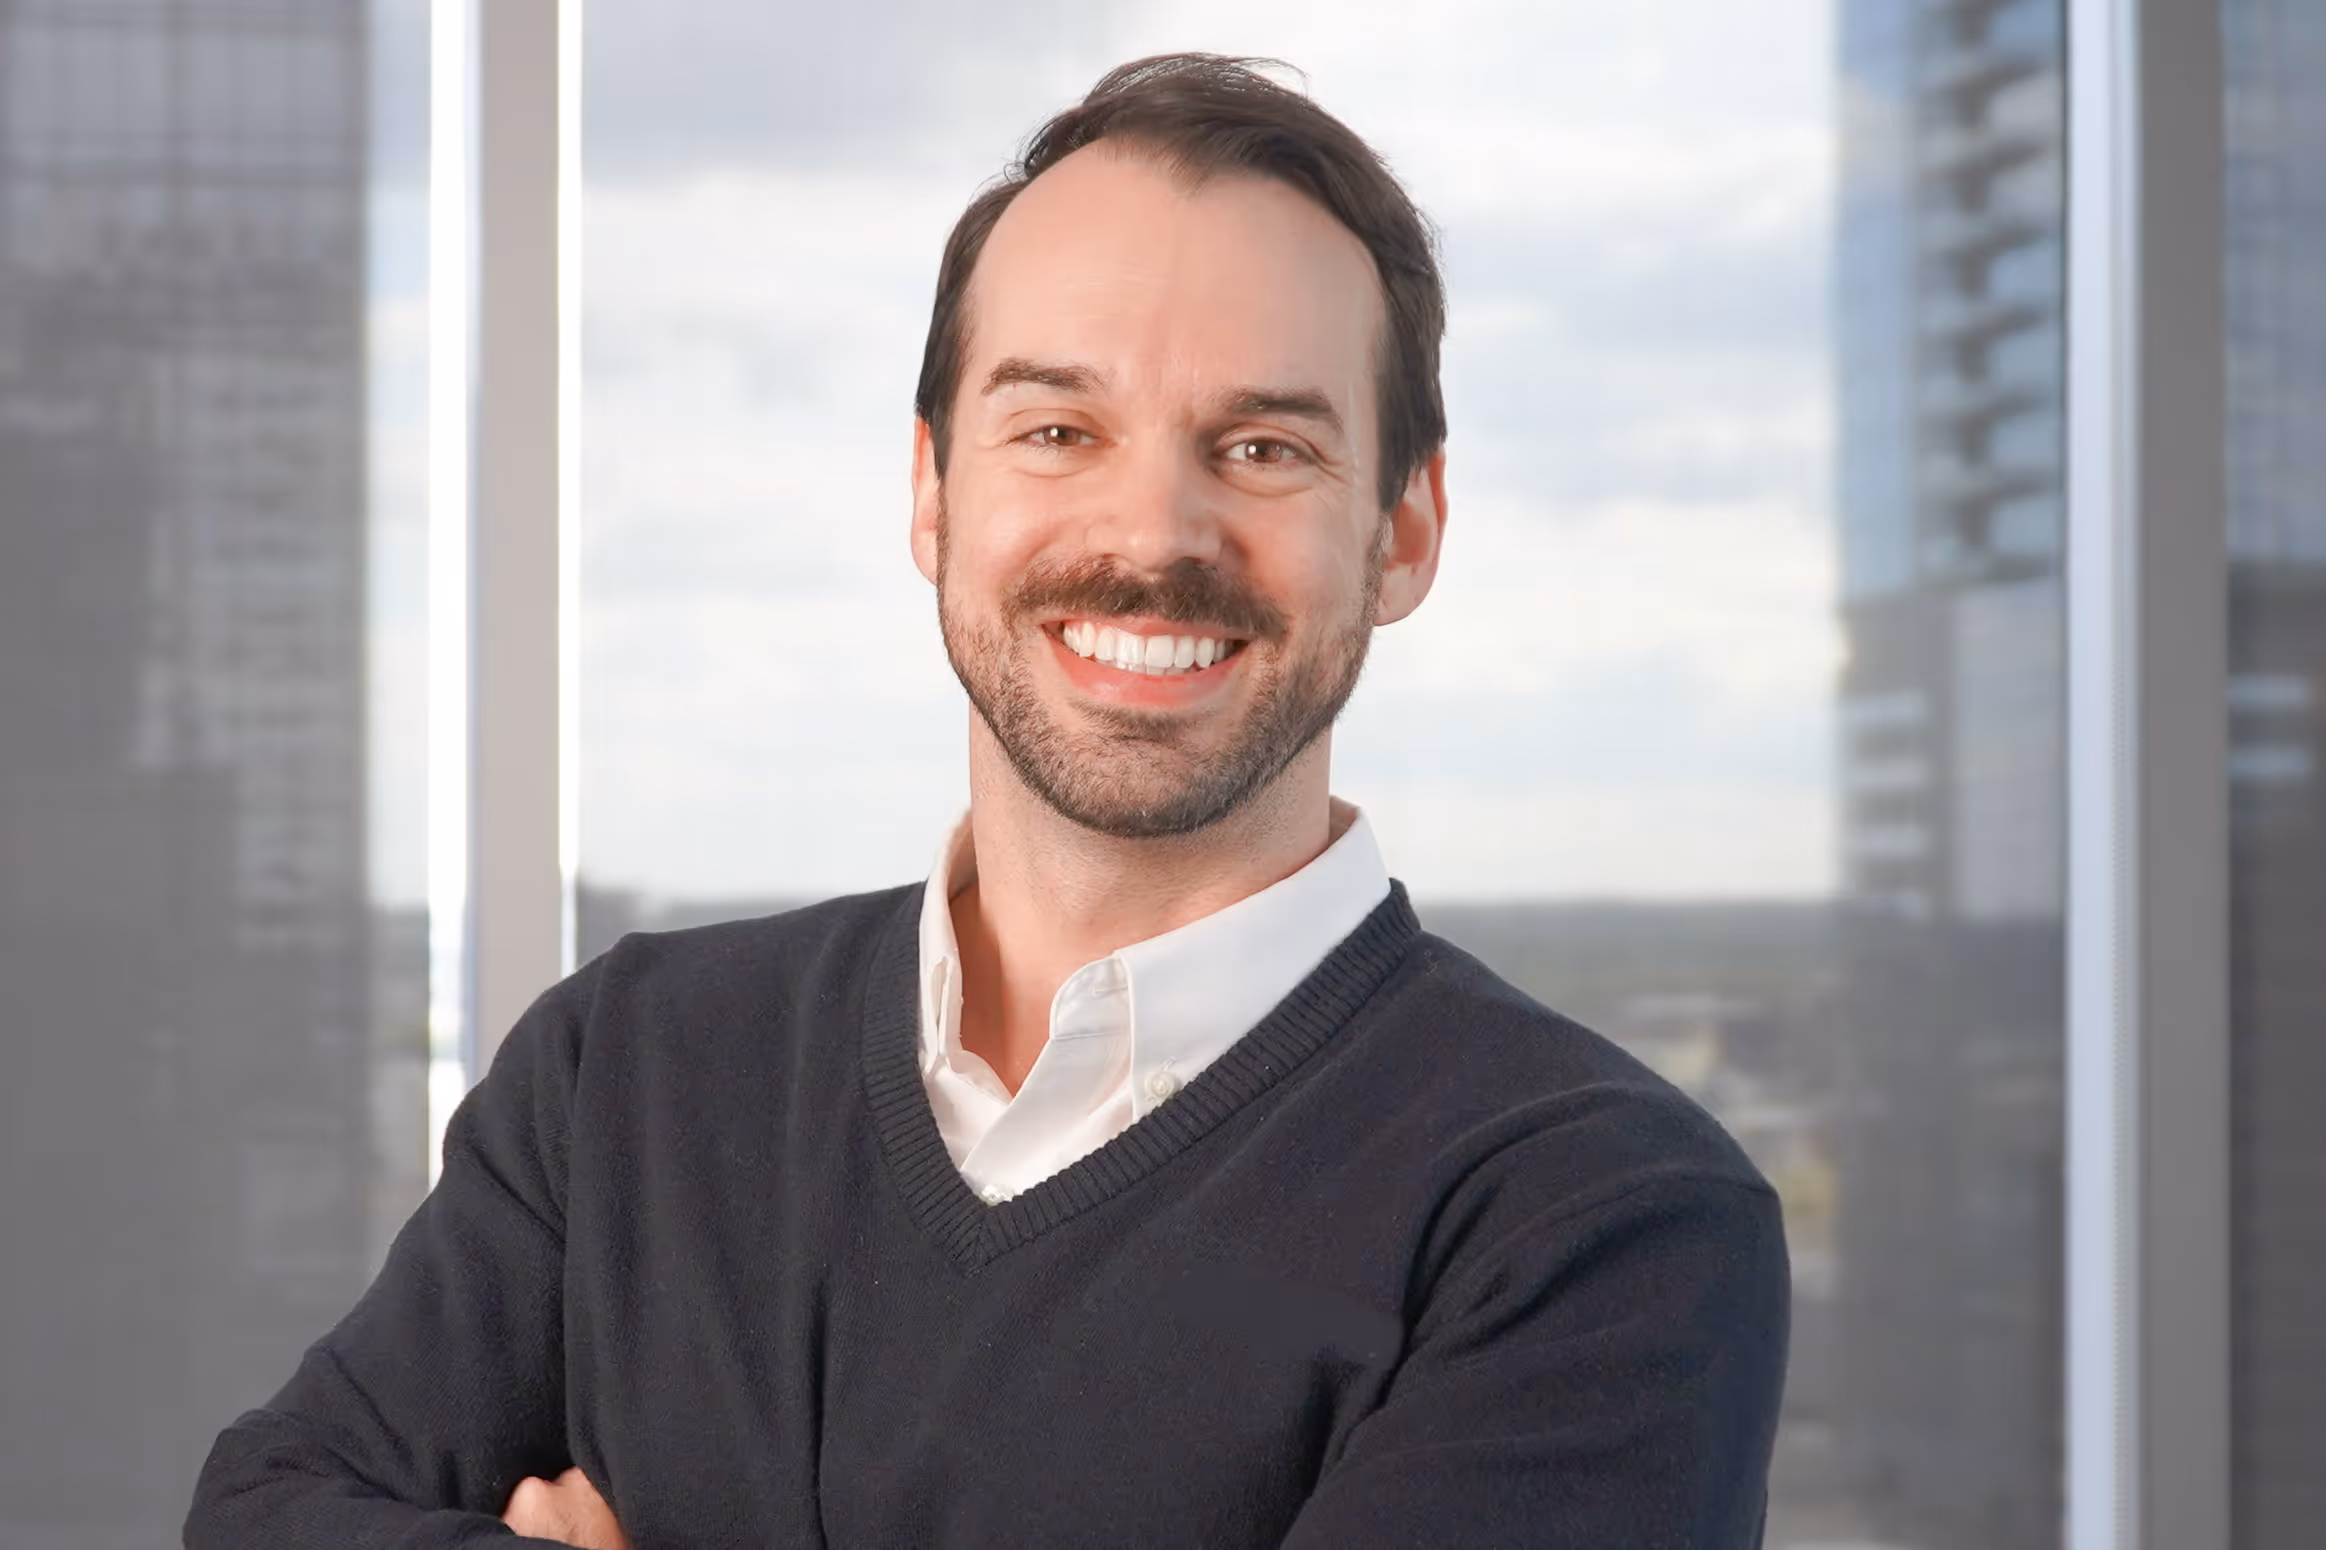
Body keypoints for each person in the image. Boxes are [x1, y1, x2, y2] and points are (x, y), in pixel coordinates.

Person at [186, 53, 1787, 1550]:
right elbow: (266, 1511)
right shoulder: (632, 1071)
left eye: (1258, 445)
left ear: (1403, 532)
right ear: (931, 492)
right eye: (1057, 428)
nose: (1151, 529)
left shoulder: (1597, 1223)